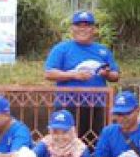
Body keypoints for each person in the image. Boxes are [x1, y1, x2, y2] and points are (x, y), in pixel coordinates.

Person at [43, 10, 121, 141]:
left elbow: (115, 75)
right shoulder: (62, 49)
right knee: (67, 142)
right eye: (79, 25)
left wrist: (106, 74)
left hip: (97, 104)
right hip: (68, 104)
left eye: (87, 25)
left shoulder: (102, 50)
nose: (82, 29)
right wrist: (73, 75)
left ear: (94, 29)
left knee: (96, 142)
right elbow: (49, 73)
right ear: (72, 29)